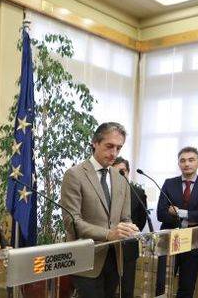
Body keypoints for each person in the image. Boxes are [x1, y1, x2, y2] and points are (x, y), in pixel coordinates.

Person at [60, 122, 139, 298]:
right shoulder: (74, 175)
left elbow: (125, 217)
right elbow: (72, 222)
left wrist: (129, 228)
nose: (114, 153)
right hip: (86, 260)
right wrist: (108, 234)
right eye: (109, 146)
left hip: (114, 258)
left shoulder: (120, 178)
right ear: (95, 142)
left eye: (119, 148)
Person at [155, 147, 198, 298]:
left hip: (194, 242)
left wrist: (179, 212)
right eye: (182, 160)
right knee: (162, 285)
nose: (186, 164)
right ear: (178, 163)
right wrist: (195, 215)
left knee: (187, 287)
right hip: (169, 239)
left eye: (191, 160)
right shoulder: (169, 183)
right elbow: (161, 214)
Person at [112, 157, 148, 298]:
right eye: (115, 172)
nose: (119, 174)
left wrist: (128, 232)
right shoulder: (105, 191)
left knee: (127, 288)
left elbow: (141, 220)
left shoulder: (138, 193)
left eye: (122, 171)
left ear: (128, 172)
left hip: (129, 245)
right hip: (107, 246)